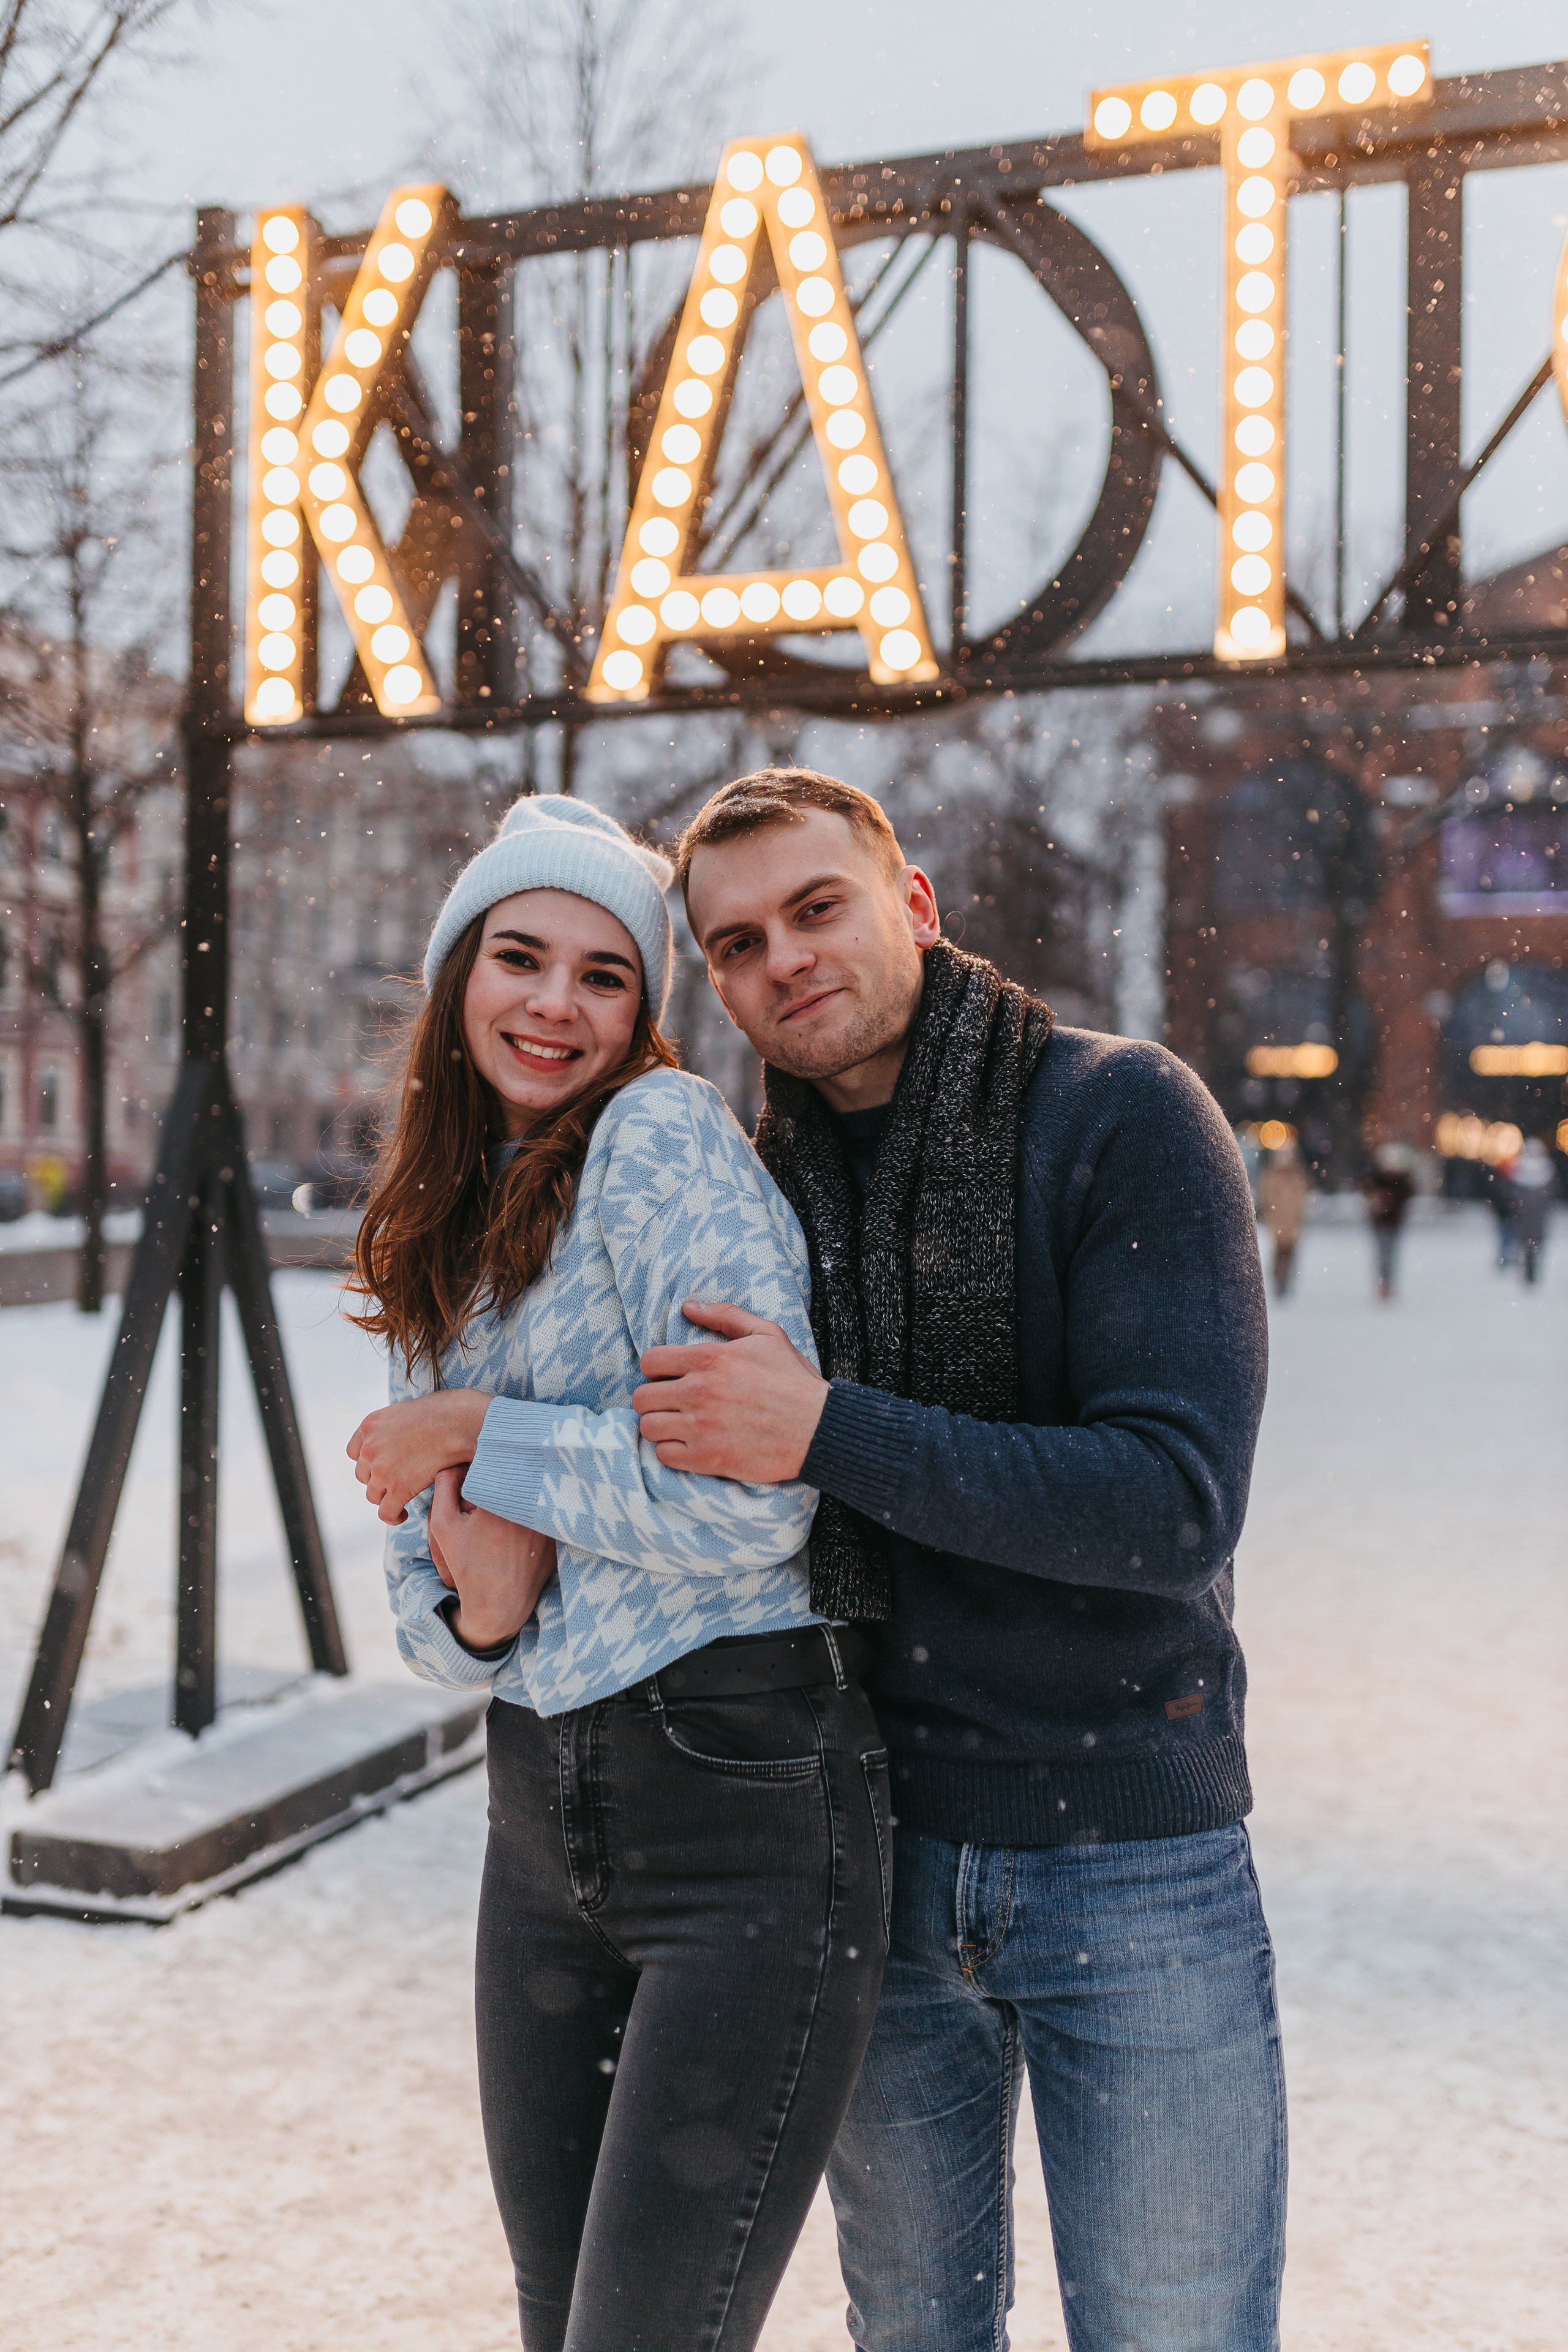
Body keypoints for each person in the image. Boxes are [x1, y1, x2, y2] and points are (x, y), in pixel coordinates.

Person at [632, 769, 1283, 2352]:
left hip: (1131, 1847)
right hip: (867, 1856)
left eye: (815, 908)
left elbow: (1169, 1503)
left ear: (913, 904)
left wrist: (827, 1428)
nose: (780, 960)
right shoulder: (749, 1197)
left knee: (1175, 2329)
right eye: (732, 945)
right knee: (916, 2329)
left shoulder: (1118, 1112)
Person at [342, 794, 890, 2352]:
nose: (554, 1005)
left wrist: (482, 1433)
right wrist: (492, 1608)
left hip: (741, 1807)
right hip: (535, 1822)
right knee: (553, 2317)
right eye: (520, 957)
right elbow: (431, 1606)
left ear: (642, 1013)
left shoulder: (660, 1143)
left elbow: (755, 1509)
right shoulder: (432, 1224)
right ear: (459, 975)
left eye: (602, 976)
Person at [1361, 1140, 1417, 1302]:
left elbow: (1406, 1196)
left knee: (1388, 1254)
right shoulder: (1378, 1177)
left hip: (1393, 1223)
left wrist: (1389, 1200)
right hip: (1381, 1223)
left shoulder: (1401, 1179)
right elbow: (1366, 1189)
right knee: (1384, 1254)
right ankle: (1384, 1284)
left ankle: (1387, 1283)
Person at [1257, 1136, 1312, 1297]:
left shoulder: (1297, 1176)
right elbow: (1266, 1198)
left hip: (1292, 1223)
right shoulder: (1271, 1176)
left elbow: (1301, 1197)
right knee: (1279, 1254)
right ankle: (1279, 1282)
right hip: (1278, 1224)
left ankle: (1286, 1283)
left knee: (1290, 1255)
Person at [1510, 1134, 1556, 1284]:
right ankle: (1531, 1272)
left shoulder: (1522, 1167)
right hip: (1533, 1216)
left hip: (1529, 1216)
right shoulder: (1544, 1167)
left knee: (1528, 1245)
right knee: (1533, 1245)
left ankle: (1530, 1272)